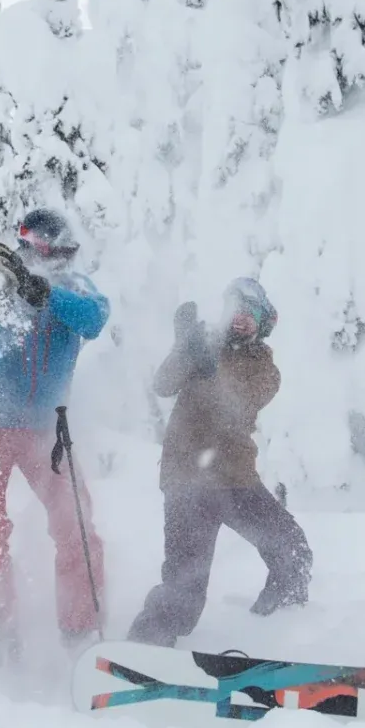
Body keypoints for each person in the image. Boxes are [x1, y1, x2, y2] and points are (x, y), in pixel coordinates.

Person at [126, 278, 312, 648]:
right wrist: (184, 347)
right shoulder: (201, 345)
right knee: (184, 583)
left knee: (291, 550)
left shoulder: (264, 367)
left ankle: (276, 632)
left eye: (251, 312)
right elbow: (163, 383)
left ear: (264, 321)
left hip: (235, 479)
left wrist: (210, 369)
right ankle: (144, 649)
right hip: (187, 480)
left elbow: (237, 403)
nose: (241, 319)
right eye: (234, 309)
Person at [0, 207, 110, 648]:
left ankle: (81, 629)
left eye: (68, 252)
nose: (62, 260)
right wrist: (12, 304)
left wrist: (46, 295)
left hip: (48, 430)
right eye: (54, 252)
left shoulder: (75, 288)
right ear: (31, 246)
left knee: (76, 525)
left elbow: (94, 319)